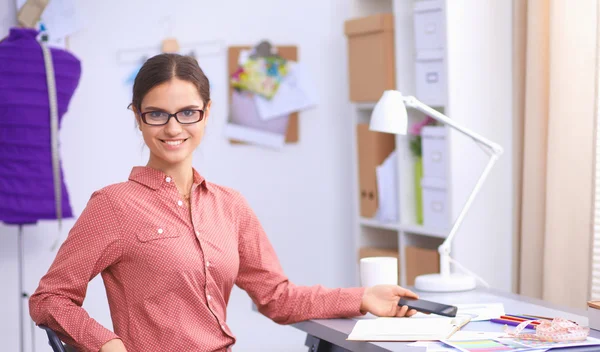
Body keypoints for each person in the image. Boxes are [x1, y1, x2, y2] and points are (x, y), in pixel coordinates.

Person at [29, 53, 419, 352]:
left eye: (187, 113)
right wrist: (107, 343)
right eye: (156, 114)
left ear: (207, 112)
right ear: (137, 116)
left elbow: (277, 298)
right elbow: (49, 298)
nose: (173, 128)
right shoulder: (113, 206)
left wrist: (363, 297)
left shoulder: (230, 206)